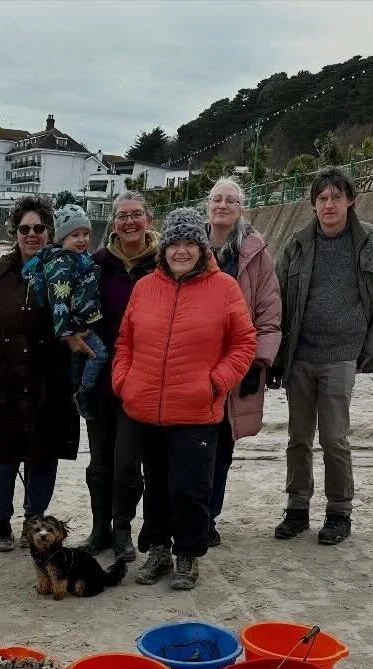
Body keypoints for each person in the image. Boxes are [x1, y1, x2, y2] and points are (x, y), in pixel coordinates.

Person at [112, 208, 255, 590]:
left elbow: (244, 343)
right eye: (175, 242)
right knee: (155, 485)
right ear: (164, 248)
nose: (181, 251)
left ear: (202, 247)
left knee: (190, 489)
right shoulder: (145, 287)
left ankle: (188, 555)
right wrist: (125, 381)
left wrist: (216, 382)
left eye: (190, 242)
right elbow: (125, 341)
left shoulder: (224, 288)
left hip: (197, 411)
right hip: (147, 409)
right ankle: (158, 549)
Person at [271, 166, 373, 546]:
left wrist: (368, 345)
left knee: (334, 438)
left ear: (351, 200)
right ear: (314, 205)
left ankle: (339, 512)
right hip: (301, 355)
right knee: (298, 437)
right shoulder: (296, 246)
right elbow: (277, 303)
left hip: (342, 356)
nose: (329, 204)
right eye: (322, 198)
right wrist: (276, 356)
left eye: (336, 196)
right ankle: (297, 508)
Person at [0, 195, 79, 552]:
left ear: (50, 231)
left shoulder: (68, 271)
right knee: (2, 453)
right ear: (15, 232)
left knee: (43, 453)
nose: (32, 234)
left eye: (39, 228)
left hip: (50, 381)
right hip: (5, 379)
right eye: (24, 228)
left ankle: (35, 518)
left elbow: (87, 319)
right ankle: (1, 520)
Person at [203, 178, 282, 548]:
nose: (222, 205)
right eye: (217, 198)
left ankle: (208, 517)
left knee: (221, 446)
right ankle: (182, 512)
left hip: (236, 365)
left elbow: (268, 311)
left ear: (241, 207)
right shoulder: (186, 245)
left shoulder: (255, 255)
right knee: (184, 444)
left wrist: (259, 361)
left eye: (230, 200)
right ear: (208, 205)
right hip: (192, 363)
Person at [86, 192, 159, 561]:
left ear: (148, 218)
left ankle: (122, 528)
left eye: (136, 215)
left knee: (127, 462)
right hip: (100, 375)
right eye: (122, 216)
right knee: (99, 460)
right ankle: (99, 528)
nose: (129, 222)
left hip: (142, 378)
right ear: (113, 223)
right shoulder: (97, 263)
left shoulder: (163, 263)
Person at [20, 202, 108, 417]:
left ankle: (78, 390)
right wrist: (67, 334)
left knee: (78, 363)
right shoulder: (62, 264)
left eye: (85, 234)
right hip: (76, 328)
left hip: (82, 325)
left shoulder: (80, 258)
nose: (82, 240)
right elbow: (58, 302)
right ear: (61, 239)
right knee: (100, 356)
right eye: (75, 235)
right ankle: (83, 393)